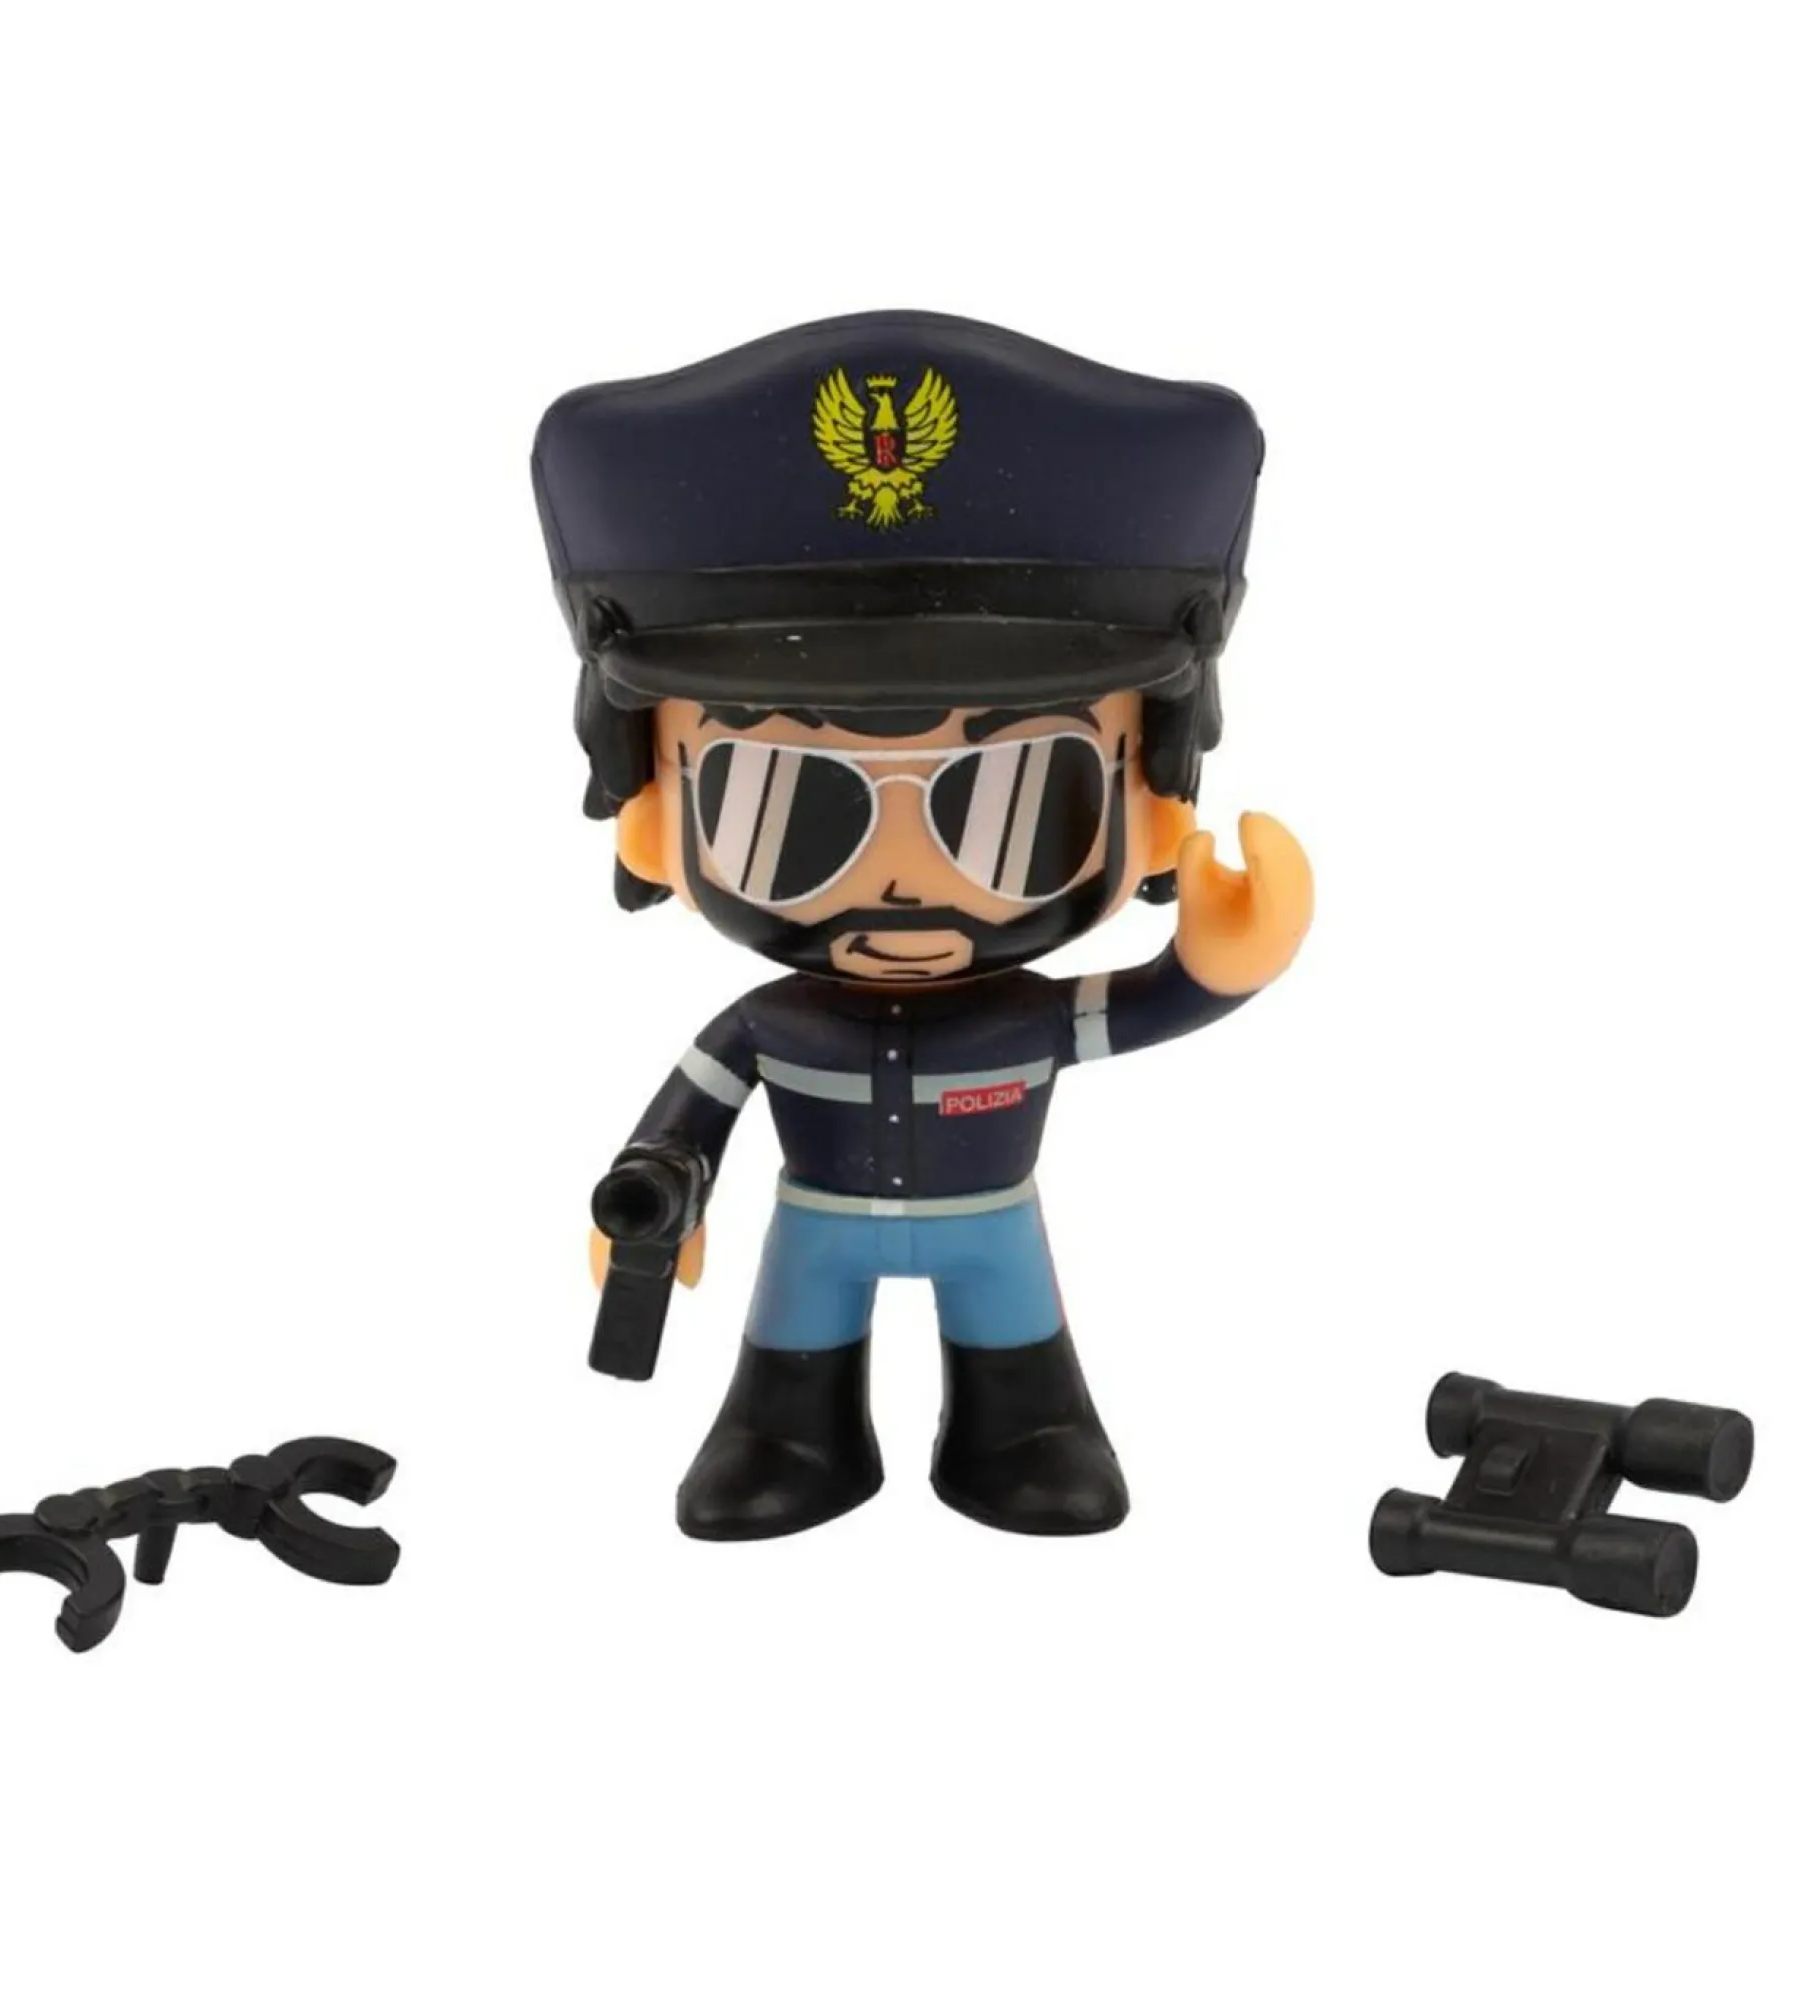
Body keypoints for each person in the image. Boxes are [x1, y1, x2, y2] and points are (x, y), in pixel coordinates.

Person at [534, 311, 1312, 1540]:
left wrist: (1222, 964)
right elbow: (684, 1123)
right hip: (818, 1229)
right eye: (788, 808)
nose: (904, 883)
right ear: (650, 819)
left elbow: (1151, 1005)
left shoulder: (1010, 1019)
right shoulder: (771, 1026)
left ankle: (1026, 1429)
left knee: (1023, 1370)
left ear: (1153, 807)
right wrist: (651, 1199)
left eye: (1013, 804)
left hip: (990, 1230)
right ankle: (787, 1432)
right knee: (787, 1368)